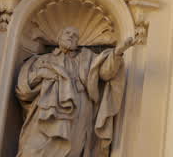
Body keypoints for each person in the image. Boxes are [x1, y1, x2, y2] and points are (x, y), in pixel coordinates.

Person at [16, 26, 135, 157]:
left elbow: (105, 72)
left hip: (78, 109)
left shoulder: (86, 59)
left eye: (75, 36)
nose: (71, 36)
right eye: (68, 33)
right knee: (32, 149)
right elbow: (24, 88)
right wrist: (41, 73)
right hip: (46, 110)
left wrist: (117, 53)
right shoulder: (43, 59)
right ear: (58, 37)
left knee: (72, 150)